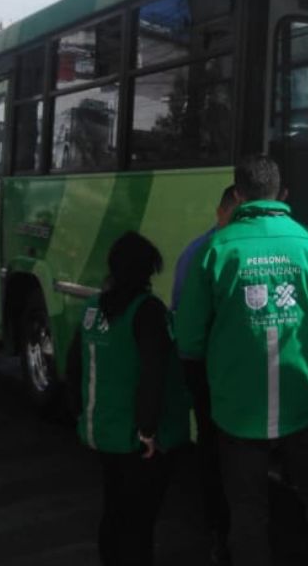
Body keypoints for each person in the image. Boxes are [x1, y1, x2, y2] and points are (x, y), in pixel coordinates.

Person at [175, 155, 308, 566]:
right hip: (305, 404)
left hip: (237, 410)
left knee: (248, 512)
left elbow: (189, 337)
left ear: (238, 195)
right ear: (283, 194)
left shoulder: (214, 249)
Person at [66, 231, 191, 566]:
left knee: (114, 510)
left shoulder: (93, 308)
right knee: (139, 523)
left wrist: (81, 413)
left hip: (103, 431)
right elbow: (154, 375)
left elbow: (74, 364)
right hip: (136, 440)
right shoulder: (147, 311)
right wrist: (148, 431)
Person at [172, 184, 238, 565]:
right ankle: (223, 532)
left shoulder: (198, 251)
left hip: (207, 370)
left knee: (215, 450)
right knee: (224, 452)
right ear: (222, 213)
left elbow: (183, 321)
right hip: (222, 373)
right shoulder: (206, 252)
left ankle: (220, 531)